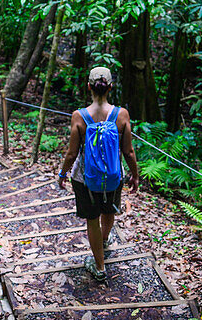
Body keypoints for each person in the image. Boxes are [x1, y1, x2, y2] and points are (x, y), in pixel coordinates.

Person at [57, 66, 140, 283]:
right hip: (113, 176)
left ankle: (100, 266)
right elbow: (128, 151)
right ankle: (104, 240)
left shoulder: (79, 116)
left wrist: (62, 174)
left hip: (85, 179)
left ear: (88, 87)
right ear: (111, 87)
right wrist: (135, 175)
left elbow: (72, 152)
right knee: (109, 209)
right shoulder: (121, 115)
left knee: (92, 219)